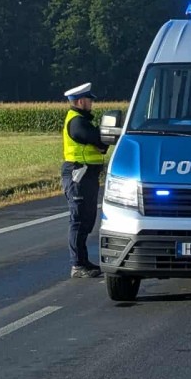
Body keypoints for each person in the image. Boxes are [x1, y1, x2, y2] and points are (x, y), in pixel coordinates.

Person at [61, 83, 108, 278]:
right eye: (89, 100)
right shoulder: (77, 121)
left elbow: (99, 142)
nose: (91, 104)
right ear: (80, 101)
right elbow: (95, 138)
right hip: (78, 173)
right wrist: (100, 141)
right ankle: (77, 265)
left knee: (87, 219)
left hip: (86, 174)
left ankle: (83, 261)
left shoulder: (82, 120)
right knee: (79, 219)